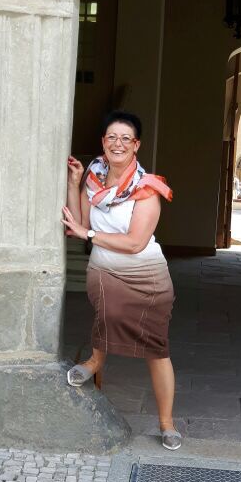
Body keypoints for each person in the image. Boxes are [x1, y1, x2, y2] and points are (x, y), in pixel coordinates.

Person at [62, 110, 181, 451]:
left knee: (156, 349)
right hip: (104, 269)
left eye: (125, 138)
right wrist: (74, 183)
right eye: (112, 137)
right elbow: (79, 224)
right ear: (103, 142)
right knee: (107, 315)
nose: (118, 143)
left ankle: (167, 423)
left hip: (146, 275)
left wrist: (89, 234)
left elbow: (134, 243)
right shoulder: (93, 179)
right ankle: (95, 361)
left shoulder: (148, 189)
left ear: (136, 145)